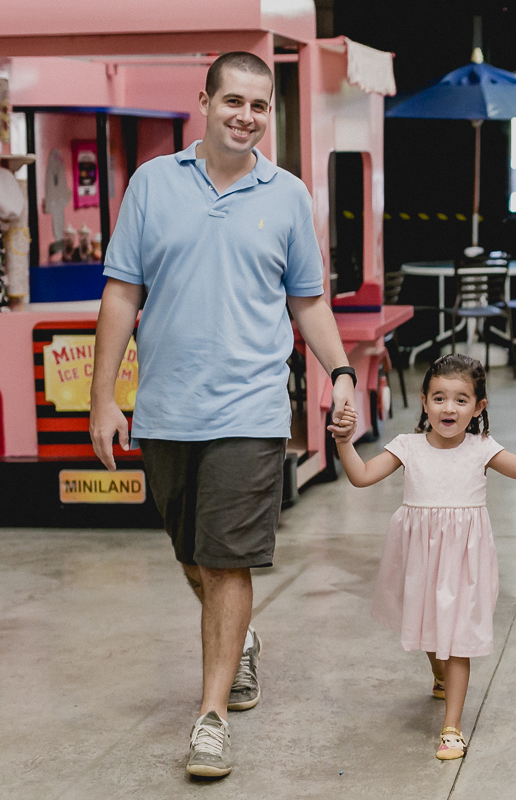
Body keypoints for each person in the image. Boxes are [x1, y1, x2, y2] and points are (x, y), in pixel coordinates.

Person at [88, 51, 357, 779]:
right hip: (167, 409)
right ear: (205, 102)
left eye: (259, 105)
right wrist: (103, 396)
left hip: (251, 408)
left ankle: (210, 717)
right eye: (233, 101)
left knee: (226, 559)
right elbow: (122, 293)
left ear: (269, 113)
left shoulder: (288, 195)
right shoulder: (153, 184)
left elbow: (307, 300)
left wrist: (340, 372)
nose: (246, 116)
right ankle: (241, 641)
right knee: (192, 555)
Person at [332, 354, 516, 760]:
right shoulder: (407, 446)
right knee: (432, 632)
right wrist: (344, 441)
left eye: (461, 400)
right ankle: (439, 673)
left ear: (479, 407)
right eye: (439, 398)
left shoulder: (481, 449)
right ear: (424, 401)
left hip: (464, 563)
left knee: (457, 640)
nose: (449, 408)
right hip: (420, 560)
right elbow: (361, 477)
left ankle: (452, 727)